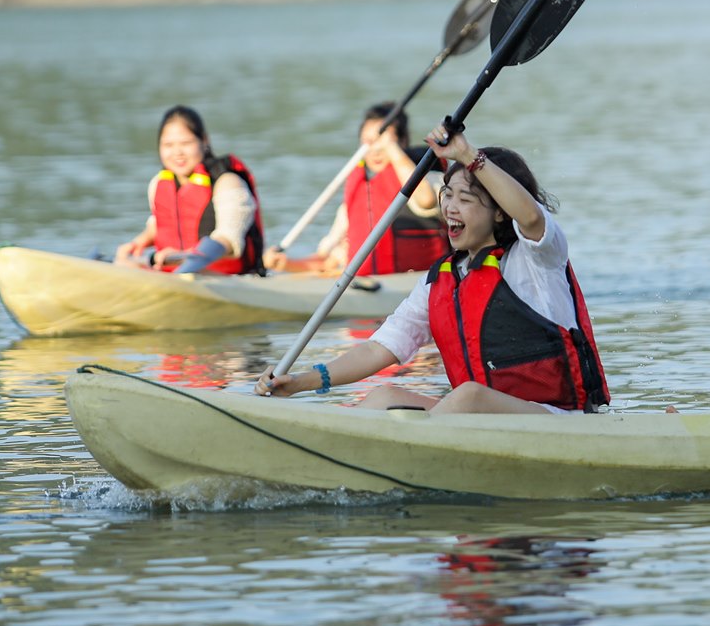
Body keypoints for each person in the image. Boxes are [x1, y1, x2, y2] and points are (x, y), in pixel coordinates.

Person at [254, 125, 608, 414]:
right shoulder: (441, 279)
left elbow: (530, 216)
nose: (451, 209)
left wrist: (469, 156)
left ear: (499, 210)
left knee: (469, 396)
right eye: (448, 196)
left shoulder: (536, 258)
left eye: (466, 200)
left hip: (559, 419)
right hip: (481, 424)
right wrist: (301, 381)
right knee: (385, 395)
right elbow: (379, 349)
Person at [264, 102, 443, 277]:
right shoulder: (359, 197)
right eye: (368, 143)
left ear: (402, 141)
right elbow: (326, 261)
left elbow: (425, 200)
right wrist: (286, 264)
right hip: (370, 285)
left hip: (419, 284)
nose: (375, 151)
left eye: (383, 141)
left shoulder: (431, 178)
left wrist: (392, 149)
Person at [113, 106, 265, 276]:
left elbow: (229, 241)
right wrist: (136, 244)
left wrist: (183, 257)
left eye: (186, 143)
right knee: (123, 264)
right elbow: (158, 225)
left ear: (204, 141)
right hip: (173, 273)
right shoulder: (158, 183)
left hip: (225, 279)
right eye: (168, 145)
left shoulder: (228, 183)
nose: (177, 153)